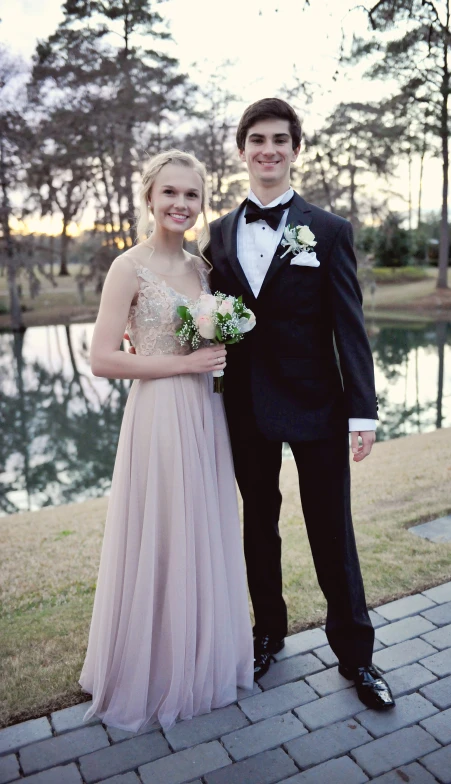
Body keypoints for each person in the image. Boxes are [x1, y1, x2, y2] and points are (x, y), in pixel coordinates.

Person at [207, 98, 394, 711]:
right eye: (256, 139)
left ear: (294, 149)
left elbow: (351, 327)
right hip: (245, 408)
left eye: (280, 140)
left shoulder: (330, 230)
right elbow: (207, 314)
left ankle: (357, 657)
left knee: (330, 532)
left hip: (318, 406)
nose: (268, 150)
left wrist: (362, 412)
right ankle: (268, 634)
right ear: (241, 150)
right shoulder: (217, 234)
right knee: (257, 526)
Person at [79, 150, 253, 732]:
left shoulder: (205, 270)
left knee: (200, 528)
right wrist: (187, 365)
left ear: (203, 204)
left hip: (207, 414)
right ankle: (151, 669)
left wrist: (217, 355)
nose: (181, 205)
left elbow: (211, 344)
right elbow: (103, 359)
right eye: (170, 193)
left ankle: (199, 660)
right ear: (150, 197)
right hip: (158, 415)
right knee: (161, 529)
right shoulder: (128, 267)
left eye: (192, 196)